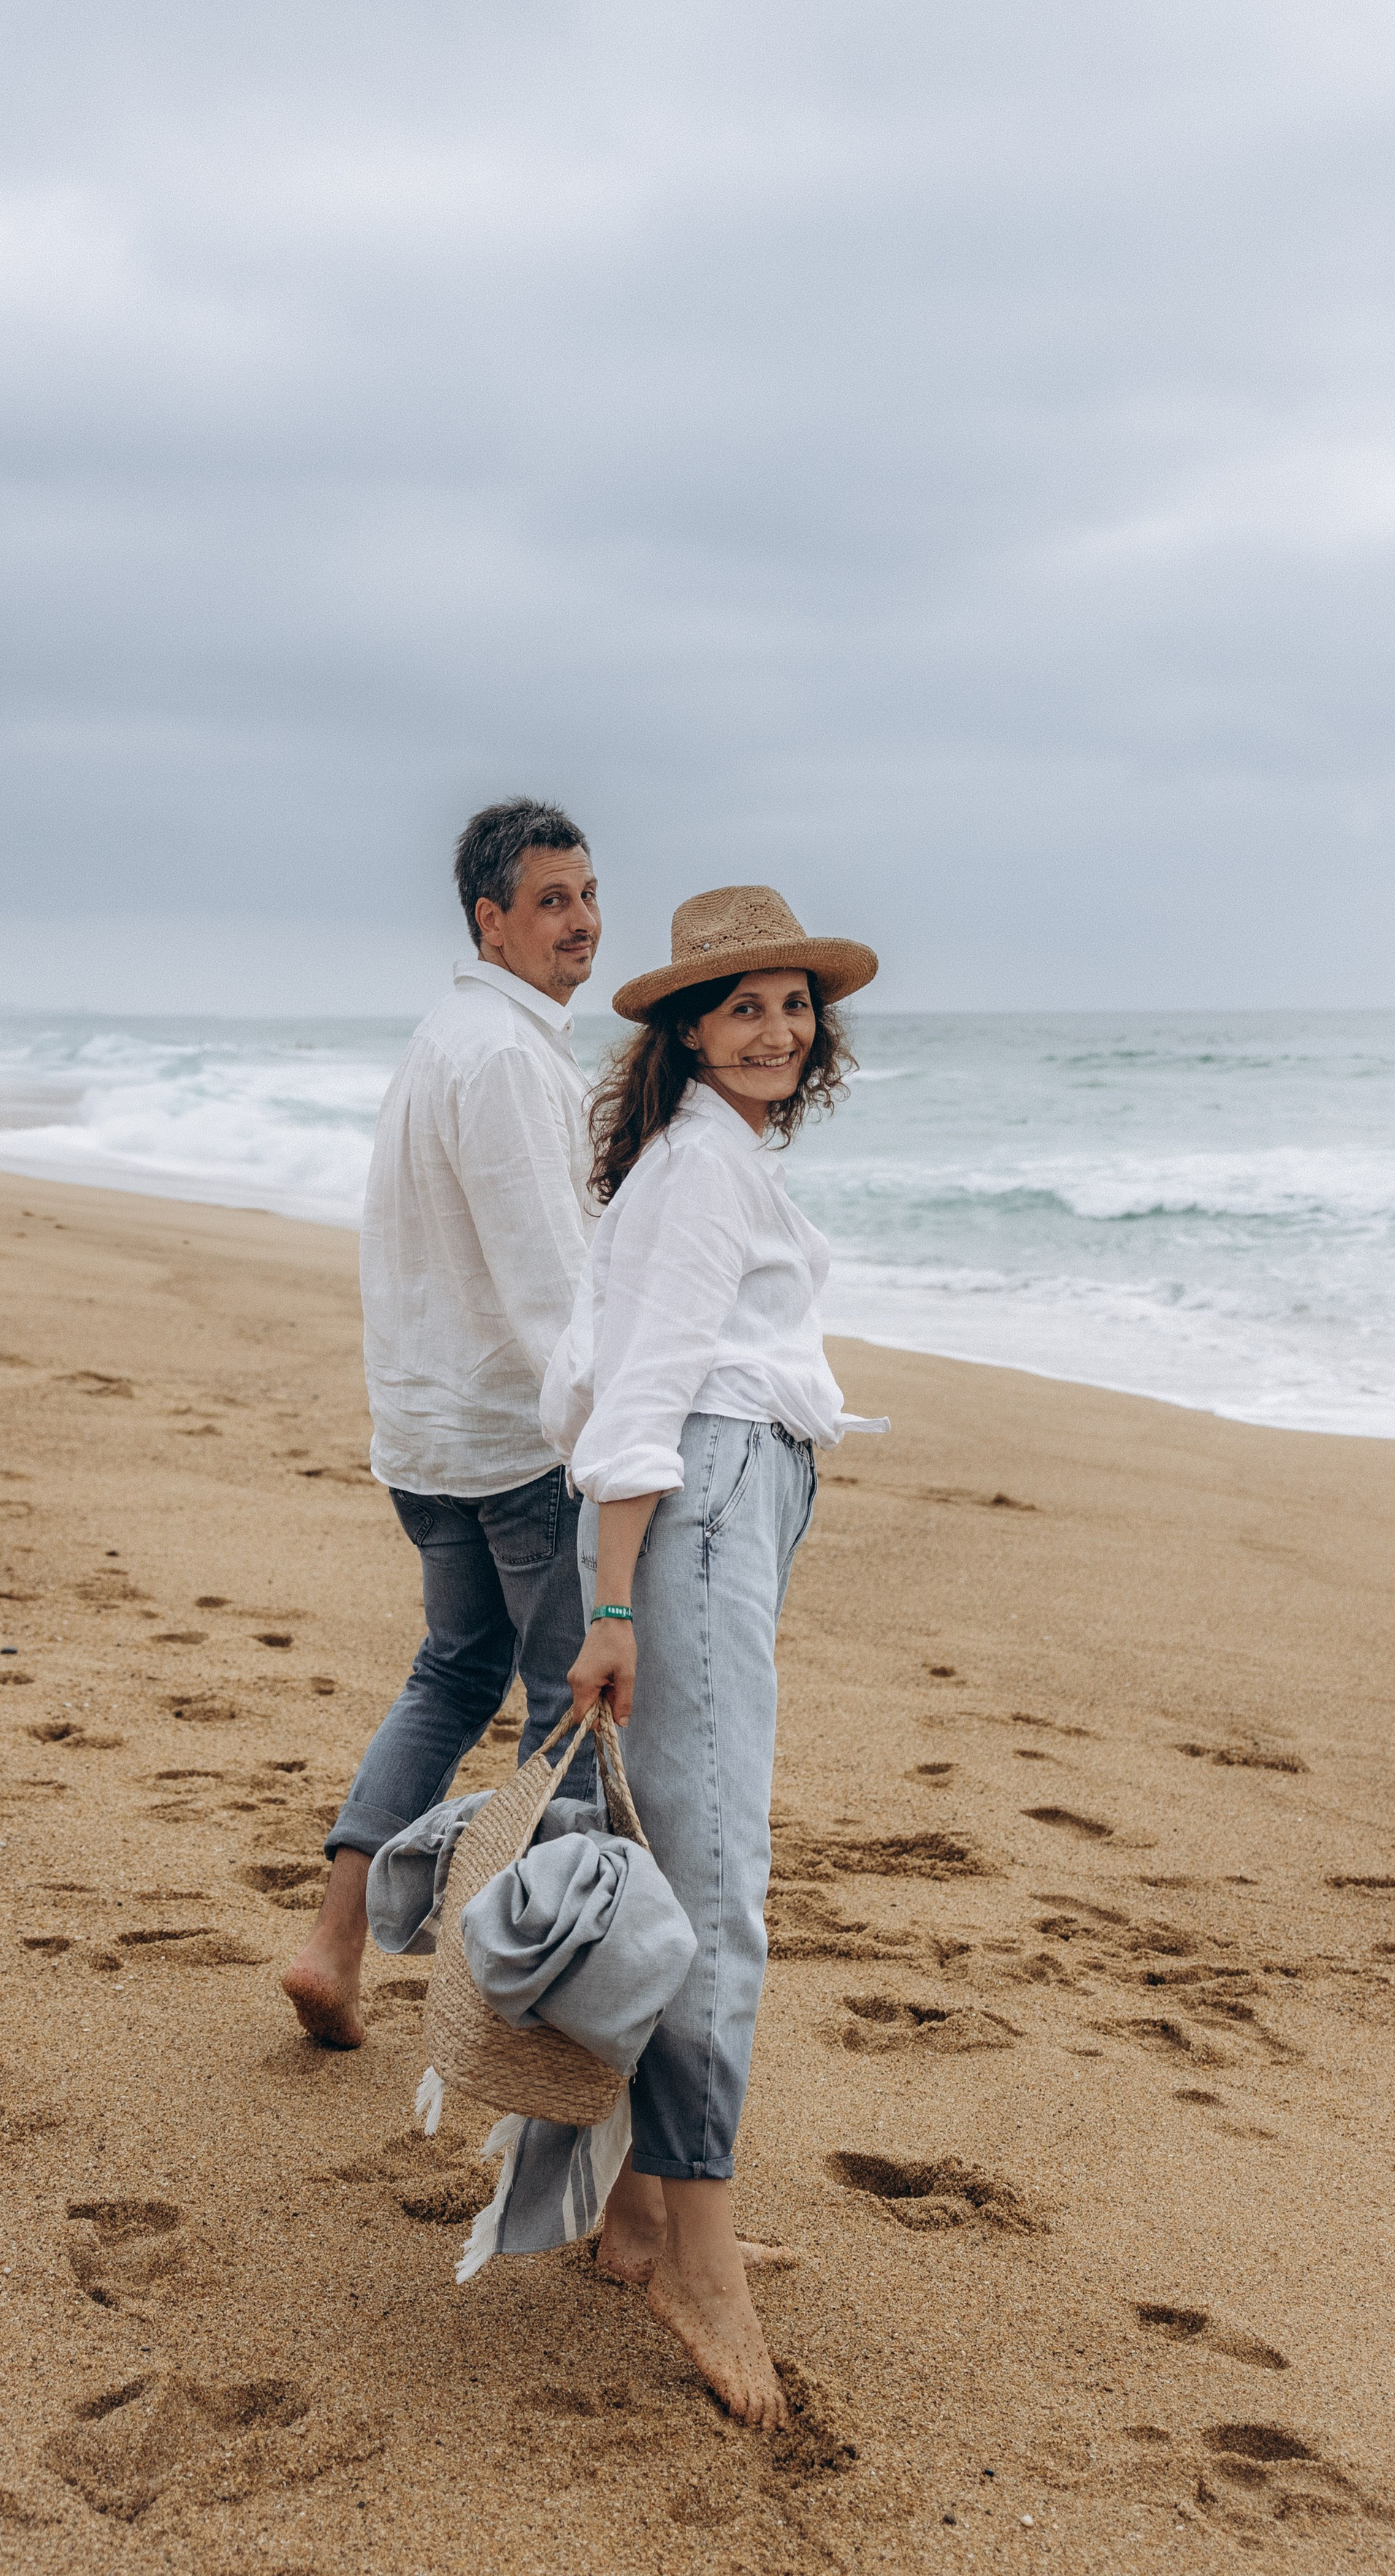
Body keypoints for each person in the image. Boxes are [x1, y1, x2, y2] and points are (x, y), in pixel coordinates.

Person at [540, 883, 884, 2429]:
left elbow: (606, 1369)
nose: (774, 1029)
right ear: (686, 1028)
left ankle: (633, 2216)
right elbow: (640, 1395)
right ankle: (702, 2253)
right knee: (713, 1890)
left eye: (792, 1004)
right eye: (740, 1005)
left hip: (713, 1514)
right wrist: (612, 1608)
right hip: (690, 1518)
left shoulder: (705, 1162)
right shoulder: (699, 1174)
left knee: (669, 1860)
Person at [281, 796, 603, 2048]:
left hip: (425, 1437)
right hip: (516, 1448)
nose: (580, 922)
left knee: (451, 1674)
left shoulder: (446, 1038)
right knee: (564, 1715)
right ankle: (517, 2005)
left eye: (585, 894)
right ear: (491, 918)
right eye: (552, 902)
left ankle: (333, 1943)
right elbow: (549, 1287)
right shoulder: (511, 1057)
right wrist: (612, 1440)